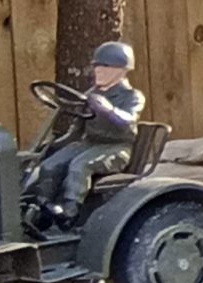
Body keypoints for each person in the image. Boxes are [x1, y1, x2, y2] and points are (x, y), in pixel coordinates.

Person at [31, 41, 146, 227]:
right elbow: (77, 128)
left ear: (122, 70)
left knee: (80, 165)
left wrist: (108, 110)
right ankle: (42, 207)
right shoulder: (90, 94)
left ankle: (70, 211)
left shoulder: (132, 96)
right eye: (97, 66)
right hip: (88, 144)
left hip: (116, 147)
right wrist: (54, 146)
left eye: (106, 66)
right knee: (50, 164)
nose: (99, 70)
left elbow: (128, 121)